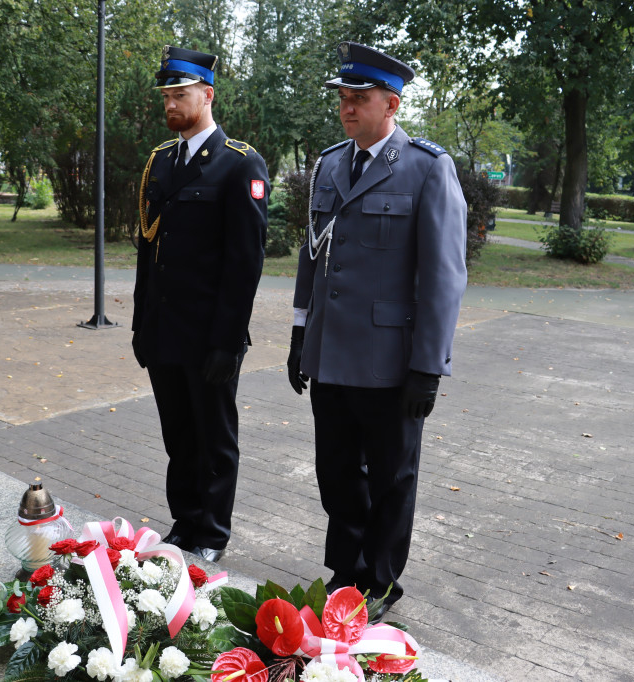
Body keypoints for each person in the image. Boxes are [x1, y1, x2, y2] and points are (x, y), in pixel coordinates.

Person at [287, 42, 467, 622]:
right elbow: (312, 260)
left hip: (391, 360)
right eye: (343, 98)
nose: (347, 107)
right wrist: (299, 333)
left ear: (390, 104)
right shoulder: (330, 162)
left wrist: (428, 366)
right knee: (336, 471)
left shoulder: (426, 168)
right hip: (331, 353)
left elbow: (444, 276)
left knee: (390, 476)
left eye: (358, 99)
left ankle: (381, 580)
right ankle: (346, 570)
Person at [132, 45, 269, 563]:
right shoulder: (161, 162)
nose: (171, 103)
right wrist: (142, 323)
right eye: (166, 95)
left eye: (180, 93)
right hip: (165, 331)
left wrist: (229, 341)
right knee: (179, 436)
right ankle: (184, 522)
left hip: (210, 334)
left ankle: (210, 533)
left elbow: (244, 264)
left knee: (213, 439)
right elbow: (149, 251)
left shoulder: (238, 165)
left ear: (207, 95)